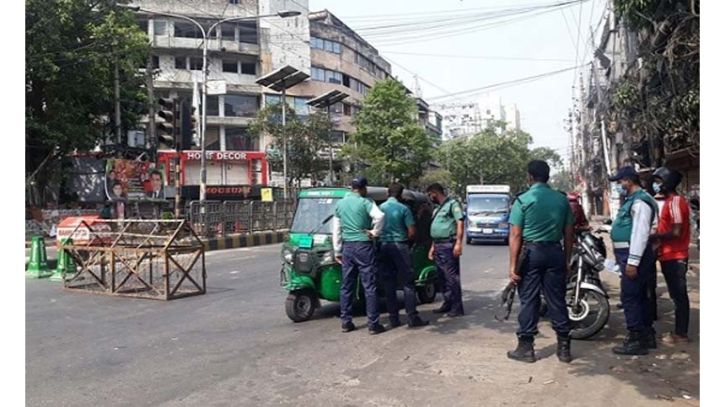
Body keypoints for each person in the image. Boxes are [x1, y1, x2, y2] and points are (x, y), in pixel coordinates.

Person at [507, 160, 575, 364]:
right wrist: (566, 260)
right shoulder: (561, 200)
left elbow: (516, 235)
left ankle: (526, 348)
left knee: (529, 299)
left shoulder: (523, 200)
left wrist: (512, 267)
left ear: (529, 177)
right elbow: (569, 233)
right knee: (557, 299)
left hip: (531, 253)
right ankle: (564, 349)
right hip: (555, 251)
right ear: (547, 176)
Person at [609, 166, 659, 355]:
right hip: (632, 252)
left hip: (632, 253)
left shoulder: (640, 203)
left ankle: (636, 338)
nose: (619, 186)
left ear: (629, 181)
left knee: (630, 296)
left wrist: (633, 262)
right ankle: (647, 335)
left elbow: (640, 233)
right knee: (639, 295)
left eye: (620, 182)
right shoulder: (635, 201)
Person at [332, 176, 386, 335]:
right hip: (364, 246)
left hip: (348, 248)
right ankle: (373, 324)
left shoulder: (340, 204)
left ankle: (346, 322)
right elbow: (380, 216)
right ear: (363, 188)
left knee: (347, 285)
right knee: (369, 286)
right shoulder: (366, 202)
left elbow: (336, 230)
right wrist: (375, 232)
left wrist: (337, 251)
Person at [650, 167, 691, 344]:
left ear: (667, 183)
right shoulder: (669, 202)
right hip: (668, 255)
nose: (656, 185)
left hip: (675, 256)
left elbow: (676, 231)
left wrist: (655, 236)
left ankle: (681, 334)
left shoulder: (675, 202)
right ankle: (679, 332)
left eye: (659, 181)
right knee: (676, 295)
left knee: (679, 296)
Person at [379, 183, 429, 328]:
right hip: (400, 245)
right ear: (400, 195)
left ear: (388, 193)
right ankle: (412, 317)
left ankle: (393, 318)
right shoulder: (404, 209)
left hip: (383, 246)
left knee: (389, 283)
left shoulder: (380, 208)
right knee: (408, 282)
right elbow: (412, 231)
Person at [426, 183, 465, 318]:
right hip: (438, 244)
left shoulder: (452, 204)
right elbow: (435, 229)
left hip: (449, 244)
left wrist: (459, 243)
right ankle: (447, 302)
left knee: (451, 277)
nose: (430, 197)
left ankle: (457, 307)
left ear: (435, 192)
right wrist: (432, 247)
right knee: (441, 277)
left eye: (430, 194)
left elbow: (460, 222)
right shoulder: (437, 208)